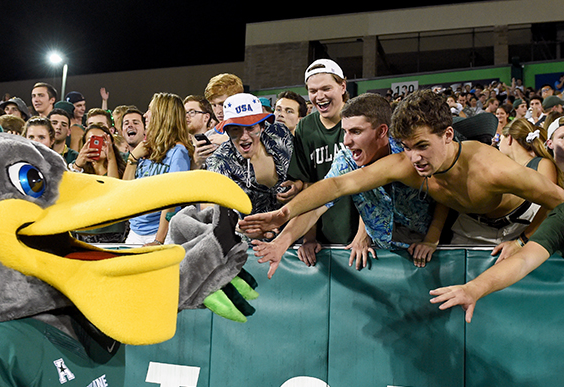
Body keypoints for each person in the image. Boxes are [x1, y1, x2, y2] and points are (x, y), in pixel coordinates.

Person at [239, 89, 564, 267]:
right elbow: (339, 185)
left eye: (421, 146)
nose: (415, 158)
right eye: (408, 148)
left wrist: (525, 240)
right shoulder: (404, 162)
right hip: (470, 226)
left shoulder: (493, 169)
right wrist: (285, 215)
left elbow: (559, 203)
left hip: (521, 218)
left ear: (447, 136)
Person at [251, 92, 447, 277]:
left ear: (381, 131)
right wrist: (281, 242)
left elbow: (447, 190)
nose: (346, 141)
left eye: (355, 132)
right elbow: (319, 202)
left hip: (436, 251)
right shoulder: (347, 160)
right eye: (345, 132)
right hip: (382, 254)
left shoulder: (411, 152)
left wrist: (432, 239)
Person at [430, 117, 564, 323]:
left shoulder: (539, 165)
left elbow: (546, 208)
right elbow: (524, 260)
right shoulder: (561, 214)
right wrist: (473, 289)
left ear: (508, 139)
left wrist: (521, 240)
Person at [279, 59, 360, 253]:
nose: (319, 96)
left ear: (342, 86)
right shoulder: (306, 127)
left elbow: (376, 184)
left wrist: (363, 237)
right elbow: (308, 184)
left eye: (326, 88)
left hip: (361, 231)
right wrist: (309, 236)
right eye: (313, 91)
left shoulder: (361, 118)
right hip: (325, 233)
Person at [205, 93, 292, 216]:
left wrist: (298, 184)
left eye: (250, 128)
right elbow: (213, 210)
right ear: (227, 132)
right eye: (236, 129)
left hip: (296, 226)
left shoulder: (280, 134)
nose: (244, 137)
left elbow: (304, 171)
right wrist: (240, 227)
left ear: (262, 126)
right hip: (250, 232)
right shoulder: (219, 162)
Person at [123, 93, 193, 245]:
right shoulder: (147, 148)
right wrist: (133, 158)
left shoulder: (178, 152)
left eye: (150, 110)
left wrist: (159, 240)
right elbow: (125, 189)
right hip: (135, 230)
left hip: (160, 233)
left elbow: (172, 200)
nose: (145, 115)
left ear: (162, 115)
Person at [184, 95, 217, 169]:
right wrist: (196, 163)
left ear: (206, 117)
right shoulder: (183, 149)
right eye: (184, 113)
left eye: (192, 112)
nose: (186, 116)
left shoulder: (216, 146)